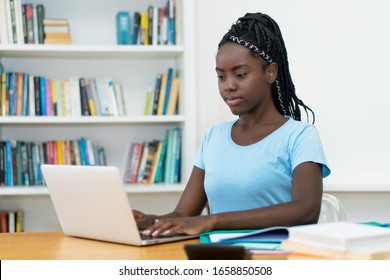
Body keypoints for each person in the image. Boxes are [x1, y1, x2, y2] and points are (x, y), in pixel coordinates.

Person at [134, 12, 330, 237]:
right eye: (221, 77)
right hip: (217, 257)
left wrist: (213, 221)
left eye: (240, 74)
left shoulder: (300, 136)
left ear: (270, 72)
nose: (228, 85)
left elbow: (306, 210)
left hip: (277, 260)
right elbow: (183, 215)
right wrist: (150, 221)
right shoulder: (213, 137)